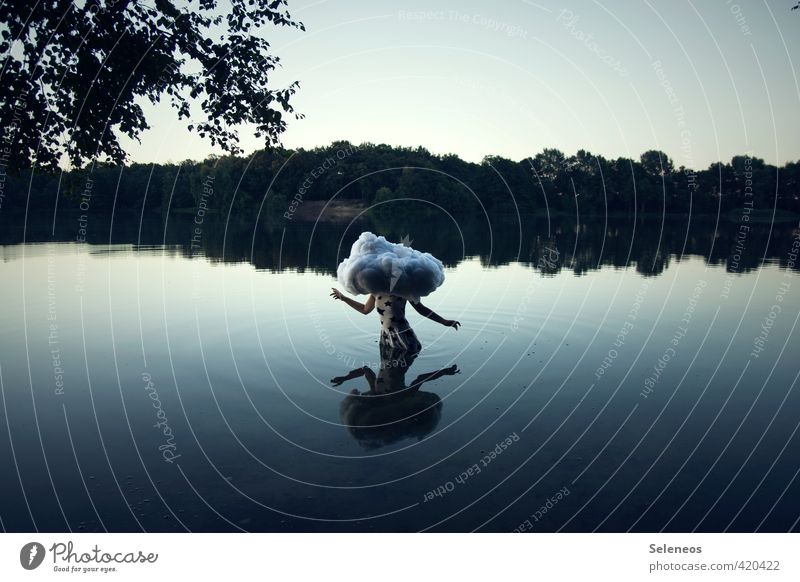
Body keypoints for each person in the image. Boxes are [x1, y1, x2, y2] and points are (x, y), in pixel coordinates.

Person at [329, 289, 460, 353]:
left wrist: (444, 321)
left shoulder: (404, 290)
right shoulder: (375, 290)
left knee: (406, 359)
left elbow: (422, 309)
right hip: (385, 338)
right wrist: (344, 298)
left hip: (404, 336)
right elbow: (364, 309)